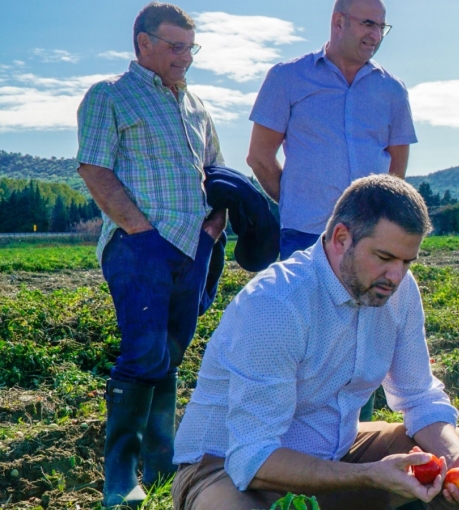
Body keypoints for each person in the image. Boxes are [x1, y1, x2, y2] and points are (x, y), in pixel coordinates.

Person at [172, 175, 459, 510]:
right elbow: (252, 458)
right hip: (229, 467)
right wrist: (368, 475)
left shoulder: (398, 291)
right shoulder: (276, 304)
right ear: (341, 238)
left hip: (338, 454)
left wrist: (456, 457)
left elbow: (418, 396)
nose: (396, 276)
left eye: (406, 262)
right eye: (384, 257)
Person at [75, 3, 225, 507]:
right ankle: (119, 479)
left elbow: (216, 173)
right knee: (143, 354)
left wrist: (212, 230)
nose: (186, 57)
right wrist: (141, 233)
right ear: (143, 43)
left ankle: (162, 468)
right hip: (139, 247)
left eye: (190, 46)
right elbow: (95, 170)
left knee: (171, 353)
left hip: (192, 248)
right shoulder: (110, 96)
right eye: (175, 45)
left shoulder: (197, 105)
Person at [247, 0, 416, 261]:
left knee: (369, 303)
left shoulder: (393, 90)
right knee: (304, 303)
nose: (376, 35)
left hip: (369, 237)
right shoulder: (287, 77)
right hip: (305, 234)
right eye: (368, 24)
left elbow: (397, 168)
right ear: (339, 22)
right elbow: (259, 157)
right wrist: (298, 202)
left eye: (382, 27)